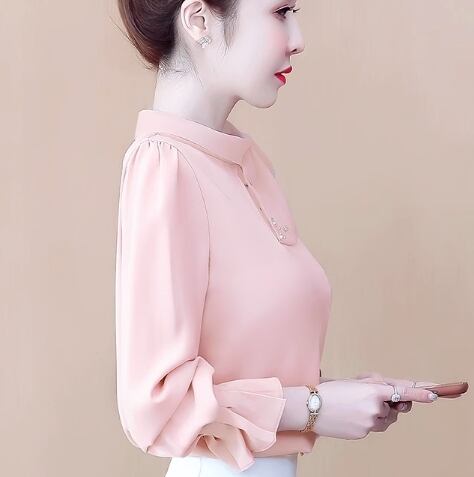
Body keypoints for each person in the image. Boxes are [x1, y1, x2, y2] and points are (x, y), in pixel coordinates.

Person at [114, 1, 442, 476]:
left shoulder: (245, 164)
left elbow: (248, 375)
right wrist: (316, 407)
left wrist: (337, 396)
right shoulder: (165, 166)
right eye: (280, 11)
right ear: (199, 19)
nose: (298, 39)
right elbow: (154, 405)